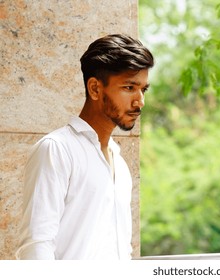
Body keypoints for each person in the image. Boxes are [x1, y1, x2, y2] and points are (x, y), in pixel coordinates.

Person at [15, 34, 155, 260]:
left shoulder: (119, 162)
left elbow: (122, 250)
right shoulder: (57, 150)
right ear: (95, 89)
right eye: (129, 87)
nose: (140, 101)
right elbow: (36, 246)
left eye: (143, 90)